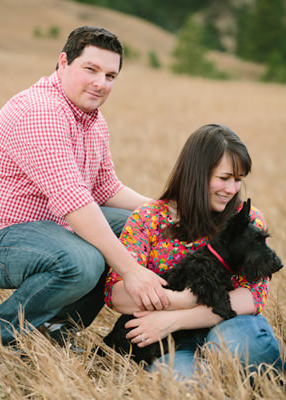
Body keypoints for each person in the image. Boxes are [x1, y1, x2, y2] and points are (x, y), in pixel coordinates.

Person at [0, 25, 168, 346]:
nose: (100, 83)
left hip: (50, 228)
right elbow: (75, 204)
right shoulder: (41, 111)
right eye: (91, 69)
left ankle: (58, 328)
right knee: (84, 261)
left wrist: (164, 209)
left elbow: (106, 189)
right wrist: (131, 270)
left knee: (137, 225)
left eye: (110, 76)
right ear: (63, 62)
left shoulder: (92, 119)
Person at [104, 124, 285, 379]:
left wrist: (175, 314)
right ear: (197, 173)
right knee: (179, 383)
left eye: (238, 180)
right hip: (169, 343)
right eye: (224, 178)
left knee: (249, 347)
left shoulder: (247, 218)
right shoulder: (149, 218)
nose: (232, 189)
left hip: (228, 325)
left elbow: (254, 296)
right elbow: (118, 294)